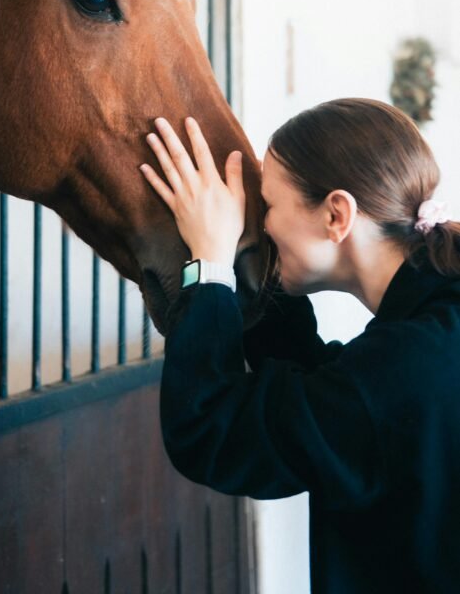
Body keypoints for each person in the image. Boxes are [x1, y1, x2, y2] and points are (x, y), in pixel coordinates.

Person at [139, 97, 460, 594]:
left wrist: (211, 265)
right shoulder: (433, 331)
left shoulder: (402, 369)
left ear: (336, 214)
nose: (262, 224)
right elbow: (323, 400)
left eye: (266, 206)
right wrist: (245, 258)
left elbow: (208, 430)